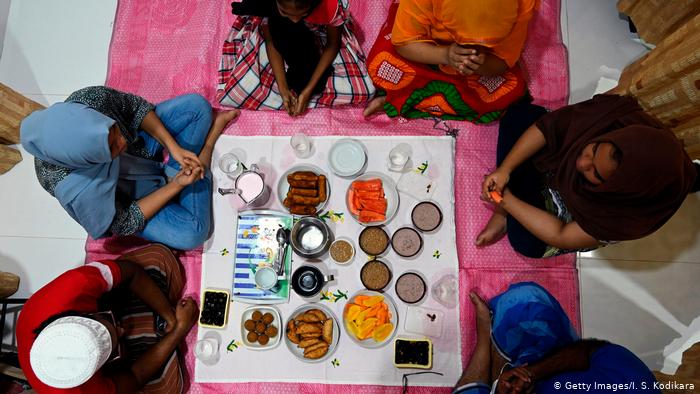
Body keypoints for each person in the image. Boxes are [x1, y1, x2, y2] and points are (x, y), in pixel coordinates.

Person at [475, 95, 700, 258]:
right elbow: (546, 128)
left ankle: (508, 213)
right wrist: (504, 170)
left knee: (528, 243)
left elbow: (561, 234)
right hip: (551, 161)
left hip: (564, 210)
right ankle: (512, 202)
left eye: (596, 173)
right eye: (593, 150)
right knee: (519, 116)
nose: (581, 163)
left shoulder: (631, 217)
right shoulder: (616, 117)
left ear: (618, 189)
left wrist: (504, 202)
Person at [20, 86, 239, 250]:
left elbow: (135, 109)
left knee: (197, 108)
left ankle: (187, 171)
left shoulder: (86, 102)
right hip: (130, 195)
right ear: (86, 159)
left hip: (141, 149)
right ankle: (207, 144)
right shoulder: (71, 188)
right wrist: (175, 186)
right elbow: (124, 222)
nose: (122, 141)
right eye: (112, 147)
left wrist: (173, 148)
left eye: (113, 129)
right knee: (192, 235)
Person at [16, 244, 198, 393]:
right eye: (113, 350)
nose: (123, 330)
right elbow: (136, 376)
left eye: (110, 322)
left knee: (158, 257)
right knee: (167, 387)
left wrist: (169, 316)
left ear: (83, 314)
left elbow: (132, 273)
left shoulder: (75, 286)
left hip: (111, 299)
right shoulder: (82, 391)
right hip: (118, 372)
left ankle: (155, 324)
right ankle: (153, 334)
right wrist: (179, 331)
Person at [454, 282, 660, 394]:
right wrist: (532, 374)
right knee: (528, 300)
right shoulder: (635, 385)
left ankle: (486, 345)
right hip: (552, 366)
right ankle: (497, 359)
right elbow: (589, 352)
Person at [363, 0, 536, 122]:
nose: (472, 46)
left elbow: (503, 62)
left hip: (476, 67)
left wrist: (478, 65)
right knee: (380, 63)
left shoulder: (522, 5)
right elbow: (404, 44)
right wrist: (445, 55)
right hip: (428, 49)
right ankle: (396, 99)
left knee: (511, 88)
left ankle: (401, 100)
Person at [218, 0, 375, 116]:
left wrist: (307, 91)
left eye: (302, 13)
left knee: (366, 91)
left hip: (315, 26)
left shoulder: (330, 6)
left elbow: (332, 45)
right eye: (286, 13)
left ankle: (301, 92)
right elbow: (271, 41)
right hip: (277, 25)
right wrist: (283, 88)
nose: (294, 20)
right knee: (237, 92)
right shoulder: (266, 5)